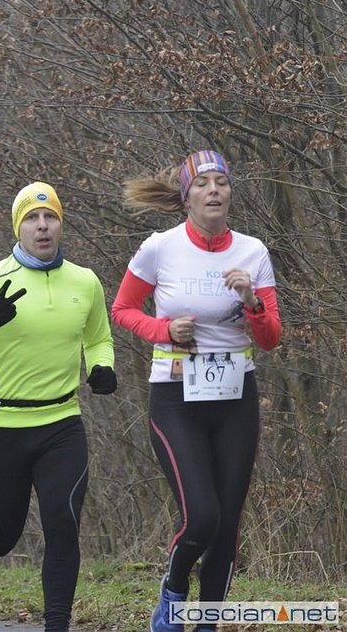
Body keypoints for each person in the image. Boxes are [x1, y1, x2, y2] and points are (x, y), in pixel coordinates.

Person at [111, 150, 282, 632]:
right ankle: (173, 589)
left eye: (220, 182)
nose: (213, 191)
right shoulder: (159, 248)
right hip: (175, 398)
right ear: (186, 197)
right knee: (202, 517)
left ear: (230, 193)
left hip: (235, 400)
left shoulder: (253, 252)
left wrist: (251, 300)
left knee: (226, 527)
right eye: (203, 183)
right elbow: (122, 310)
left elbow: (271, 338)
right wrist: (164, 330)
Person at [0, 182, 117, 632]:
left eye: (50, 216)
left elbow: (98, 338)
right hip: (2, 427)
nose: (42, 226)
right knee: (3, 534)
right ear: (18, 228)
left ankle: (57, 624)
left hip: (61, 424)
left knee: (63, 525)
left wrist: (102, 367)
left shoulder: (85, 281)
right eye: (32, 219)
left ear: (60, 223)